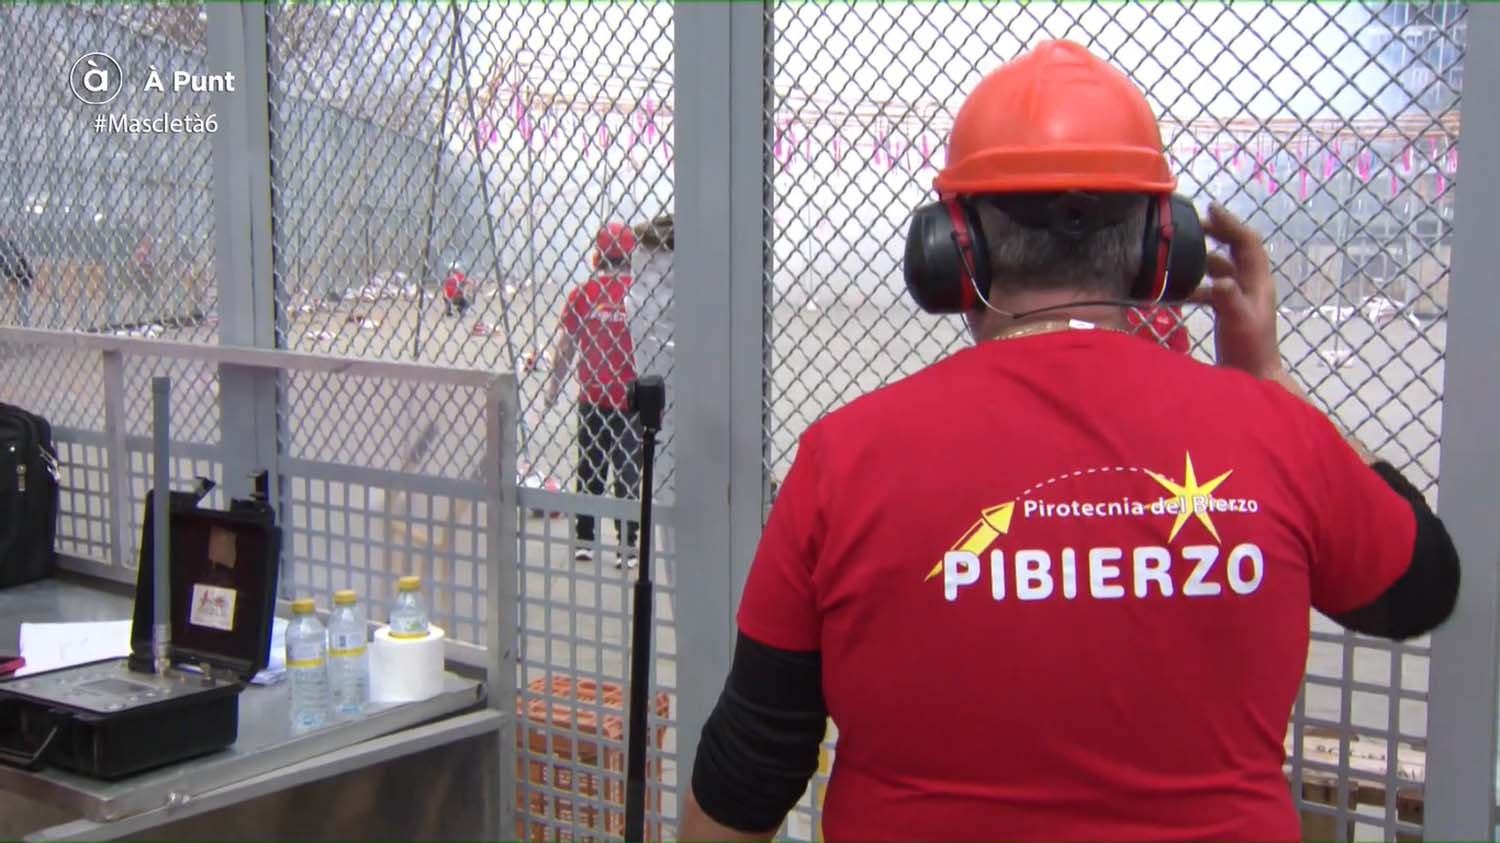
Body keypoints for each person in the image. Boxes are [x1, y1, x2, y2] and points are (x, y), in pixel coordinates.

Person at [681, 40, 1459, 841]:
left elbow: (749, 772)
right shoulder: (1277, 435)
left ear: (954, 250)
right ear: (1165, 249)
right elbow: (1421, 586)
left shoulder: (843, 459)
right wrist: (1270, 379)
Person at [545, 221, 641, 568]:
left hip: (593, 397)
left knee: (589, 470)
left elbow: (566, 346)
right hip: (631, 399)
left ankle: (585, 539)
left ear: (597, 255)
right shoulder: (639, 291)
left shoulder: (583, 293)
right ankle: (627, 545)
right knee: (628, 473)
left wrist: (554, 387)